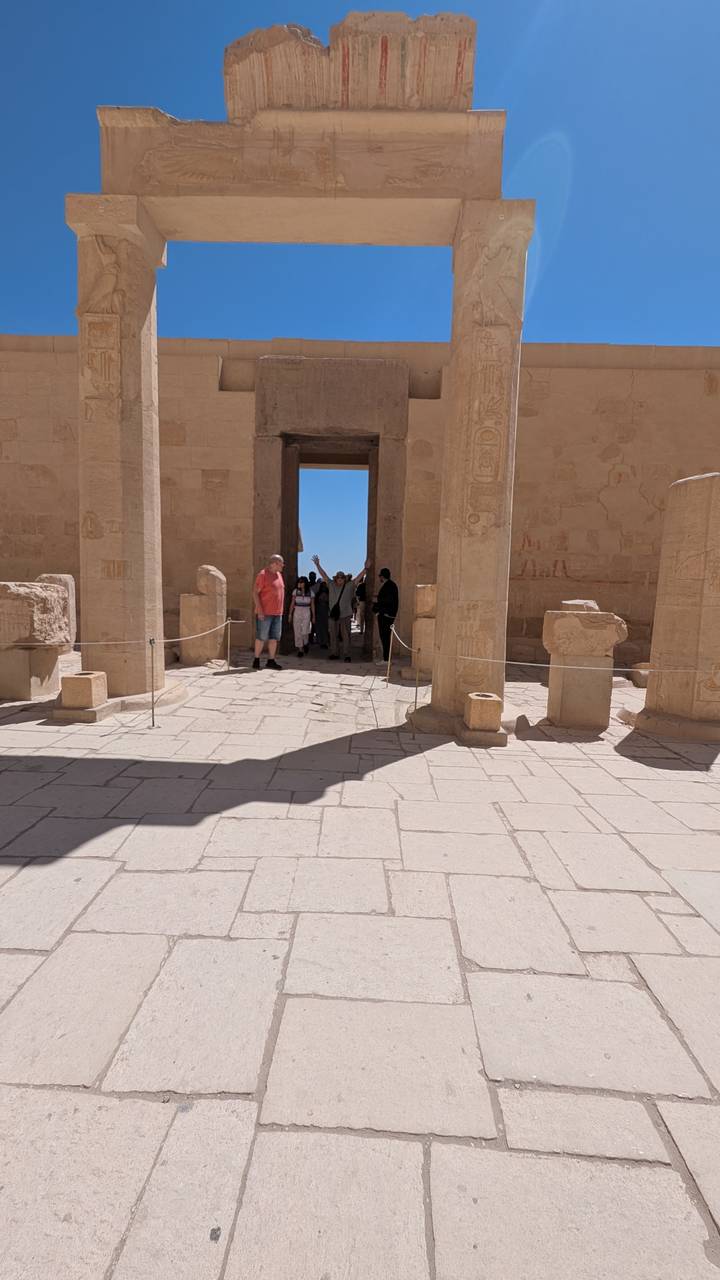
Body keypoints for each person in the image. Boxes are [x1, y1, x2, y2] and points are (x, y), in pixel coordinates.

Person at [312, 554, 369, 662]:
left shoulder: (349, 586)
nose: (340, 579)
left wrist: (365, 569)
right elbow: (323, 574)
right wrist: (318, 565)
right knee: (333, 635)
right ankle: (334, 653)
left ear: (344, 579)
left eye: (342, 577)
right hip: (333, 615)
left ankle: (347, 654)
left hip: (345, 615)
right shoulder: (331, 584)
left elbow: (358, 578)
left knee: (346, 635)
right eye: (338, 577)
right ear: (335, 578)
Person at [252, 553, 285, 671]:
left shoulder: (279, 575)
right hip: (265, 612)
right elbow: (255, 593)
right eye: (281, 563)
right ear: (275, 563)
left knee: (274, 638)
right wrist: (260, 610)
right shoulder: (263, 575)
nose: (283, 565)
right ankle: (256, 659)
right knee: (261, 636)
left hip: (277, 613)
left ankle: (271, 660)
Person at [372, 567, 399, 663]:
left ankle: (386, 659)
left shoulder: (389, 586)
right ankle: (386, 658)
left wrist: (377, 602)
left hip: (386, 616)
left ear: (382, 577)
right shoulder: (390, 585)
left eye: (380, 576)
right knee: (385, 637)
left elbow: (387, 601)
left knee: (385, 637)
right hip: (386, 615)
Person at [289, 576, 315, 657]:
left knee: (305, 630)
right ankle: (300, 649)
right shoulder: (295, 591)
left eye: (301, 582)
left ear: (305, 583)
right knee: (297, 631)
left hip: (306, 611)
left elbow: (313, 605)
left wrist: (314, 616)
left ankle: (305, 643)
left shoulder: (310, 592)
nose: (299, 583)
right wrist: (290, 614)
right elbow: (292, 603)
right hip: (297, 611)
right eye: (299, 582)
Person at [314, 579, 330, 649]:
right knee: (320, 628)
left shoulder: (328, 594)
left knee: (325, 628)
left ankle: (324, 642)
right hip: (319, 612)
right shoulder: (318, 594)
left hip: (325, 613)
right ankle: (321, 641)